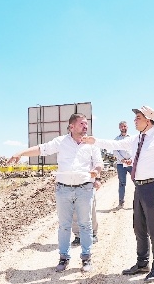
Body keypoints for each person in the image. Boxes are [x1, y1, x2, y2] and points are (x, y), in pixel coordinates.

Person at [82, 106, 154, 283]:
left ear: (148, 120)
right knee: (139, 227)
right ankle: (142, 263)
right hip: (139, 187)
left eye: (138, 117)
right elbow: (115, 144)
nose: (134, 121)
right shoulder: (137, 138)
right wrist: (95, 141)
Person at [8, 113, 102, 272]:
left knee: (85, 225)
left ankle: (86, 258)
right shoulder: (61, 142)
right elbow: (41, 149)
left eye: (86, 124)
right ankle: (63, 258)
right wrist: (20, 153)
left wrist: (96, 172)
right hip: (63, 190)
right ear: (71, 126)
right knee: (64, 226)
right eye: (82, 124)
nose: (85, 127)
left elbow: (99, 164)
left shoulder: (92, 144)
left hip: (85, 189)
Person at [72, 143, 102, 245]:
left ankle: (93, 233)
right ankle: (78, 235)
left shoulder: (91, 145)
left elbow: (97, 163)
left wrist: (97, 179)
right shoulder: (68, 145)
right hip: (72, 184)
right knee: (75, 211)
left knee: (90, 209)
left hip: (88, 183)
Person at [113, 121, 133, 208]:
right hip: (121, 164)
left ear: (127, 127)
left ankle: (140, 202)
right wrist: (122, 160)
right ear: (119, 128)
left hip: (131, 164)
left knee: (137, 182)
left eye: (124, 126)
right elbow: (115, 151)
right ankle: (121, 202)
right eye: (121, 126)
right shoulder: (116, 139)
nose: (123, 128)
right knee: (122, 183)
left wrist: (130, 160)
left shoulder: (132, 138)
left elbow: (136, 150)